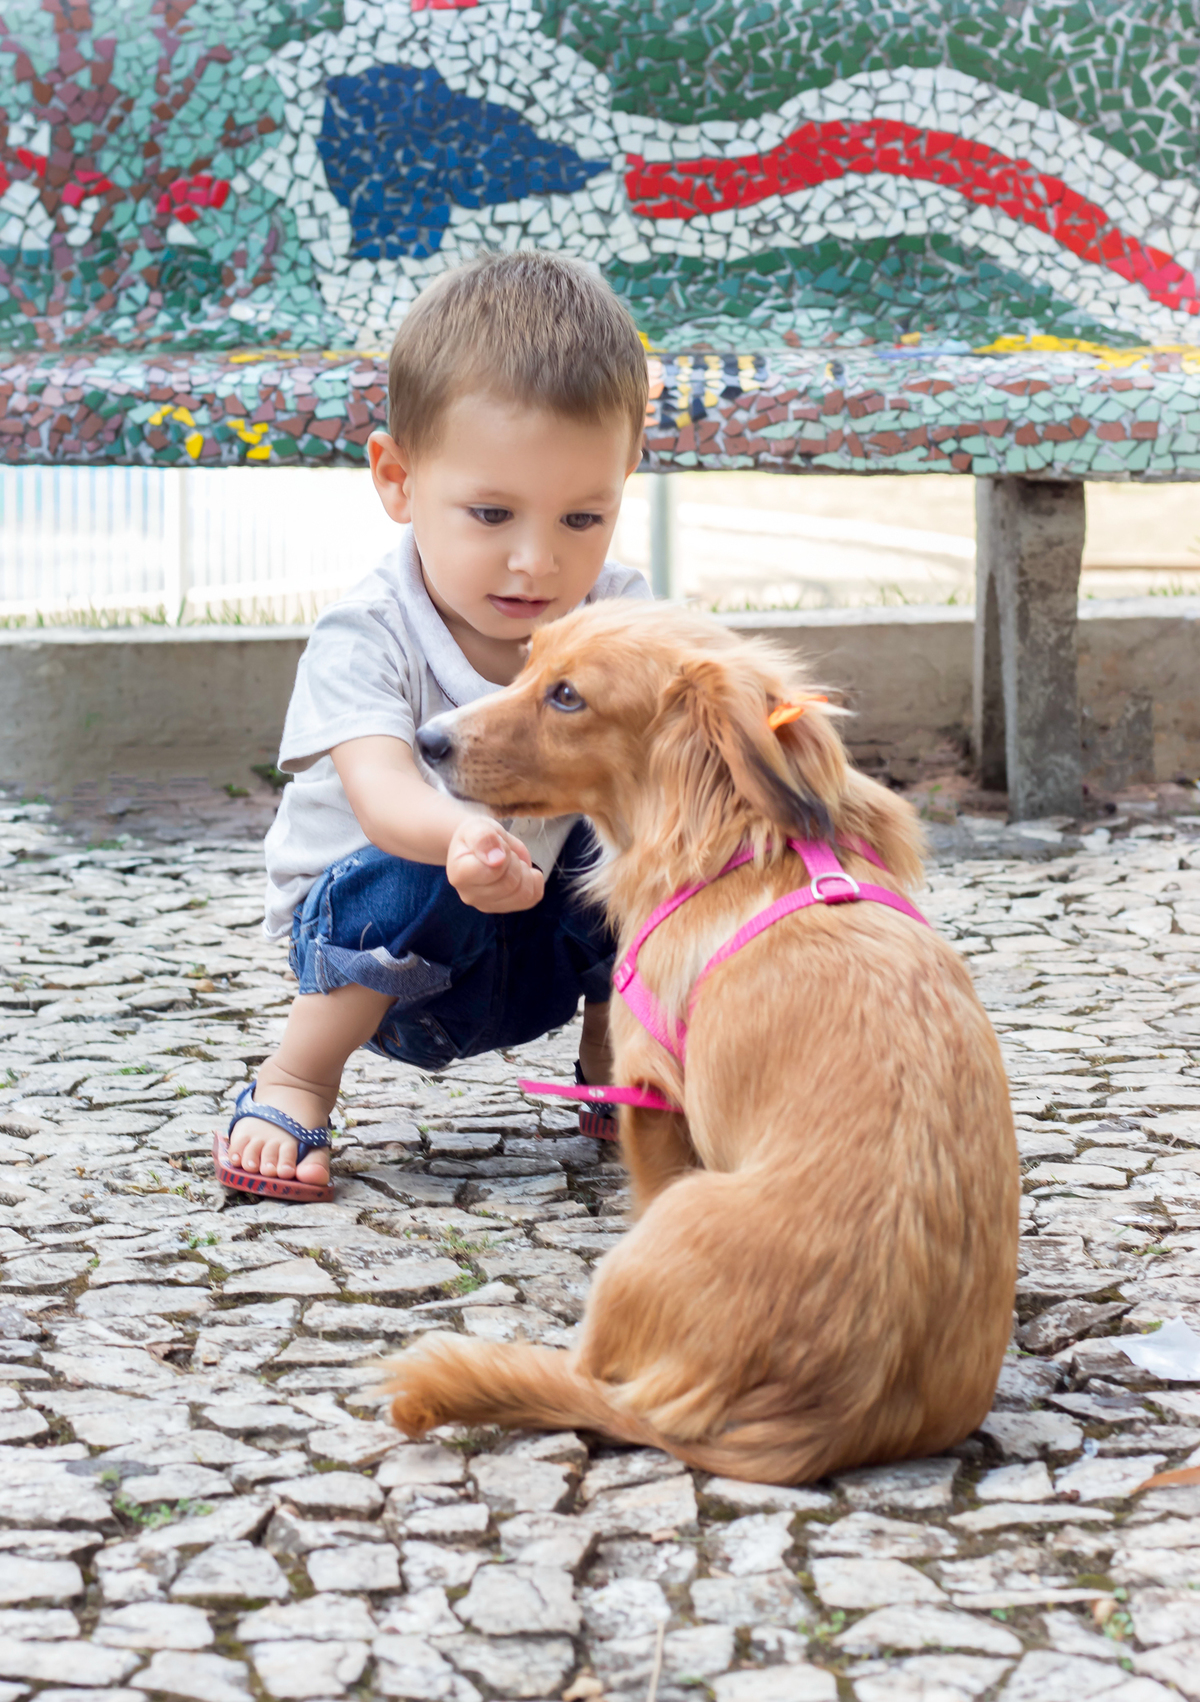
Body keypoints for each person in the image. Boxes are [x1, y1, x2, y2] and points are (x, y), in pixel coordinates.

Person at [218, 250, 650, 1198]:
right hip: (384, 961)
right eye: (492, 513)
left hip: (542, 950)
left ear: (626, 479)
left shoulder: (619, 616)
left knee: (650, 822)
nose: (536, 561)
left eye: (583, 519)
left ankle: (619, 1052)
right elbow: (382, 794)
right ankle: (296, 1078)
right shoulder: (369, 631)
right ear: (398, 479)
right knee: (416, 866)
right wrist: (462, 839)